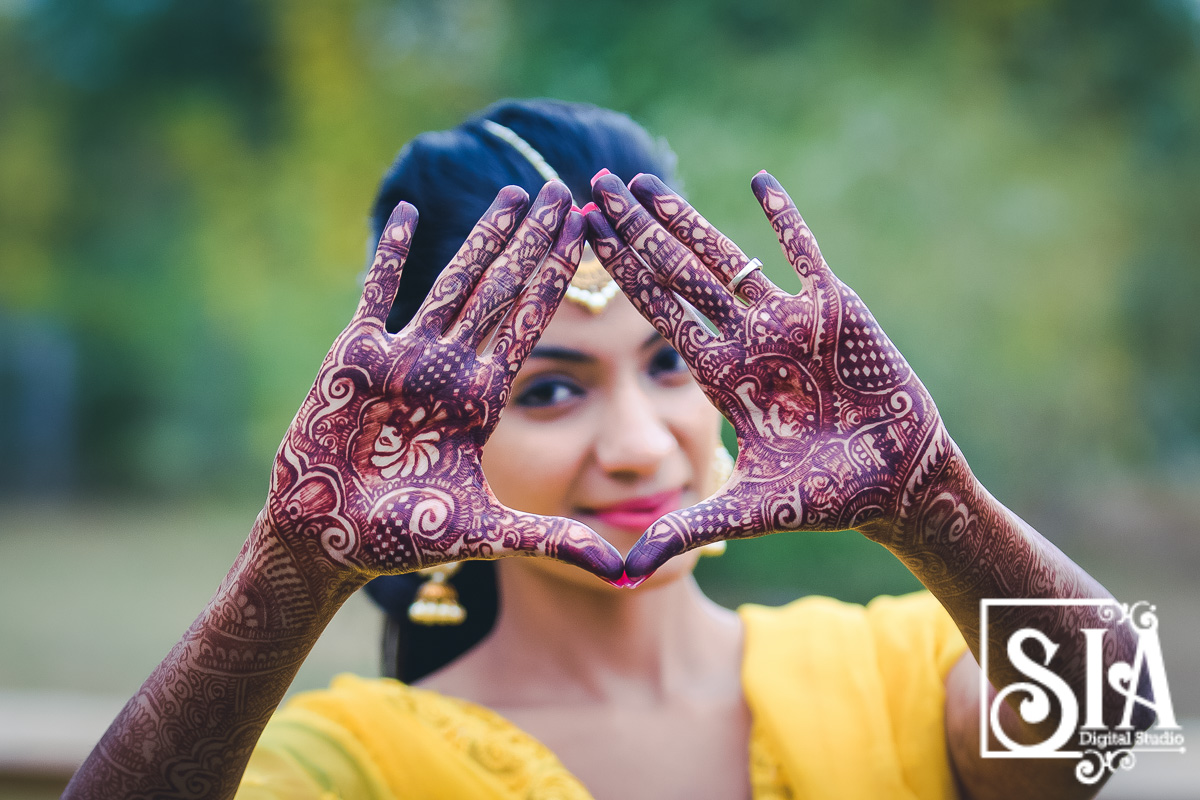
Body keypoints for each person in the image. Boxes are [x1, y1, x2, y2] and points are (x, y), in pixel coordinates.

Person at [64, 100, 1149, 800]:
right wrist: (292, 568)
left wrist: (936, 501)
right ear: (425, 437)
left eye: (674, 363)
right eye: (548, 389)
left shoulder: (908, 667)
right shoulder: (357, 760)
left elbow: (1132, 738)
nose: (638, 445)